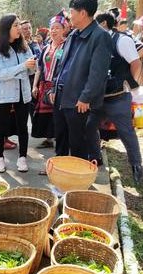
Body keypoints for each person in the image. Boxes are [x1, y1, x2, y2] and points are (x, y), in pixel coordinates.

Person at [49, 0, 112, 160]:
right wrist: (54, 88)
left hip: (79, 101)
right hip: (61, 96)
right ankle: (60, 176)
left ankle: (78, 182)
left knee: (78, 146)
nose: (70, 16)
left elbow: (98, 73)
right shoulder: (72, 34)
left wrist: (86, 97)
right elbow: (62, 65)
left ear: (83, 13)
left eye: (72, 12)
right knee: (61, 140)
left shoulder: (100, 36)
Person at [87, 12, 142, 184]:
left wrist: (135, 87)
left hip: (118, 97)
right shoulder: (95, 41)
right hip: (98, 98)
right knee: (89, 127)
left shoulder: (122, 40)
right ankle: (96, 158)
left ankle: (137, 168)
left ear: (103, 23)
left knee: (127, 133)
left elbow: (135, 63)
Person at [0, 14, 35, 173]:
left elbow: (31, 71)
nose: (19, 29)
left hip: (23, 93)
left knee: (23, 127)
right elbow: (0, 74)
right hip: (4, 95)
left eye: (19, 25)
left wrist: (32, 66)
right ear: (6, 29)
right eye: (15, 26)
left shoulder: (24, 47)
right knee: (2, 128)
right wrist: (23, 66)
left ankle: (22, 157)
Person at [31, 13, 66, 151]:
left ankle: (62, 142)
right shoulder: (46, 47)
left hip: (60, 86)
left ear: (64, 29)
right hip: (45, 86)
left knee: (58, 115)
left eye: (58, 27)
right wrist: (34, 85)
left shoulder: (66, 46)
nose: (54, 30)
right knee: (46, 115)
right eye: (52, 28)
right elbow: (39, 68)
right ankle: (49, 139)